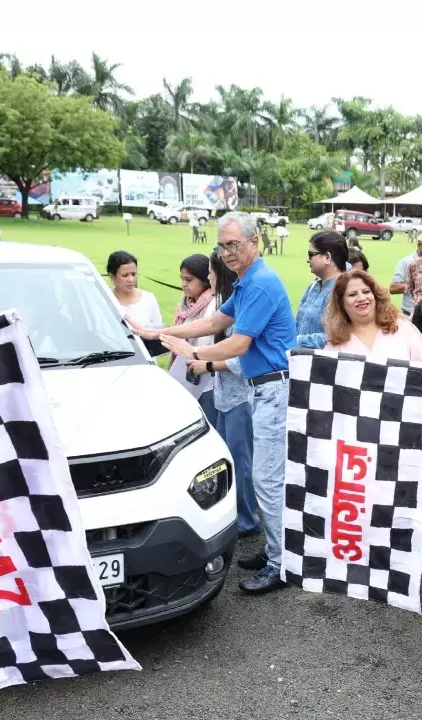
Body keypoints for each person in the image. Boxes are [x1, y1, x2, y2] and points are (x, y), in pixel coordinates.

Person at [132, 212, 296, 595]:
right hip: (262, 387)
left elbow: (238, 344)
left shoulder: (259, 283)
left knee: (266, 480)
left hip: (274, 388)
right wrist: (158, 332)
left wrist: (191, 353)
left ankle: (281, 562)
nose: (227, 252)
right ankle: (276, 549)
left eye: (235, 244)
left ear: (255, 243)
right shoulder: (247, 281)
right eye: (223, 246)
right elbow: (211, 323)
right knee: (263, 476)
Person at [185, 253, 260, 539]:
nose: (210, 278)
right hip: (223, 394)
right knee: (227, 460)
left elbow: (243, 359)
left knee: (241, 462)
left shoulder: (240, 309)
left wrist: (207, 364)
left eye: (211, 272)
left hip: (241, 396)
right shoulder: (224, 306)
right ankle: (234, 514)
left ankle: (247, 519)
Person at [324, 270, 422, 362]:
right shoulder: (336, 343)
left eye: (366, 292)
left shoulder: (403, 329)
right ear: (341, 302)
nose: (361, 298)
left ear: (375, 296)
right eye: (352, 294)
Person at [168, 254, 218, 423]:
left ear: (205, 279)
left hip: (208, 378)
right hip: (183, 372)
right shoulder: (184, 305)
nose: (184, 284)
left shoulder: (215, 304)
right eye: (182, 279)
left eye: (189, 279)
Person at [296, 230, 348, 349]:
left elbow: (337, 336)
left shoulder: (344, 290)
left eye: (311, 255)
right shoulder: (313, 287)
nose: (308, 260)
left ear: (327, 257)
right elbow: (297, 324)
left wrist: (296, 341)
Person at [108, 250, 162, 327]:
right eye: (125, 275)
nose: (131, 280)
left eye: (133, 274)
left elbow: (157, 329)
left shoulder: (149, 299)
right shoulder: (105, 301)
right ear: (112, 276)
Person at [391, 227, 422, 316]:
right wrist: (414, 284)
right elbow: (393, 288)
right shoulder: (407, 262)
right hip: (410, 314)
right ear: (421, 244)